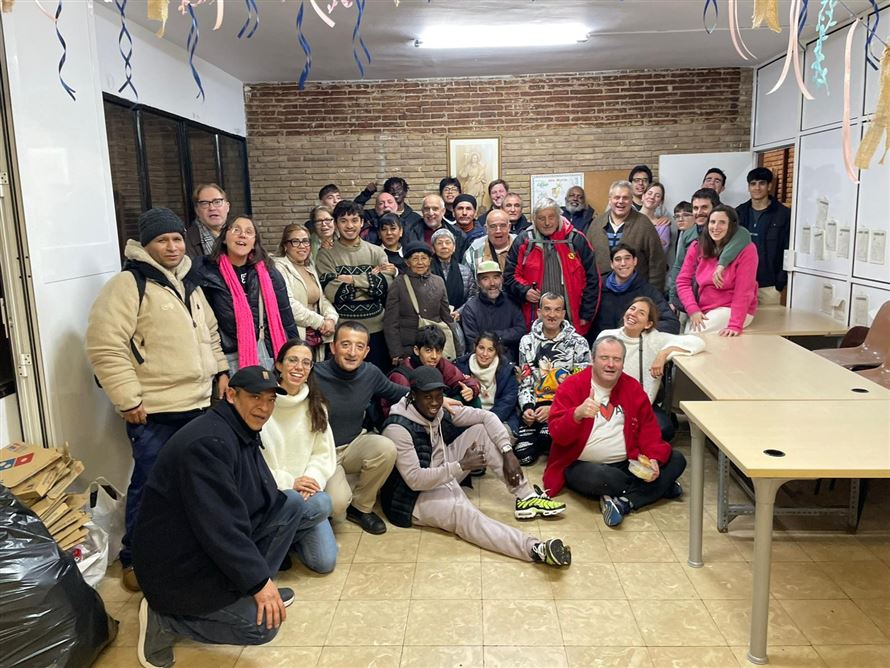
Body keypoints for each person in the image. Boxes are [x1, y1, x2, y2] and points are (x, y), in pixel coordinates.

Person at [132, 366, 324, 666]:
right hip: (179, 566)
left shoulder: (239, 430)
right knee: (262, 627)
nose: (264, 407)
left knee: (290, 505)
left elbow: (260, 496)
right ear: (231, 395)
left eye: (271, 399)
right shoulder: (209, 443)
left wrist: (257, 579)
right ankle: (166, 619)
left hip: (203, 543)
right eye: (255, 397)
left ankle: (248, 591)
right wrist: (258, 582)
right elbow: (220, 526)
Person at [86, 207, 229, 593]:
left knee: (196, 483)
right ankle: (135, 558)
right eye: (162, 240)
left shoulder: (190, 283)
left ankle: (186, 548)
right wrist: (128, 399)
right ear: (145, 244)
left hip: (198, 405)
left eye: (177, 239)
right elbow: (105, 346)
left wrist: (220, 371)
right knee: (150, 485)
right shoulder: (128, 284)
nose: (172, 246)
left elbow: (210, 333)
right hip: (154, 411)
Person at [380, 366, 572, 566]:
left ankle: (527, 497)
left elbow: (486, 417)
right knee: (467, 515)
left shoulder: (438, 408)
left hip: (442, 471)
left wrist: (507, 451)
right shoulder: (398, 428)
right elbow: (415, 480)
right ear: (412, 395)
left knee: (481, 431)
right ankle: (535, 549)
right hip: (412, 497)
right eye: (428, 397)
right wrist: (460, 466)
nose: (435, 402)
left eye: (439, 395)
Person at [545, 336, 687, 527]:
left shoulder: (632, 387)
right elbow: (557, 435)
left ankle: (624, 502)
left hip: (628, 462)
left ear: (623, 363)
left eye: (617, 359)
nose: (610, 364)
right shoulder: (571, 386)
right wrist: (576, 414)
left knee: (677, 459)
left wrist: (653, 457)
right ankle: (657, 488)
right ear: (592, 359)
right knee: (602, 479)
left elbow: (649, 429)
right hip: (583, 465)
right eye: (604, 358)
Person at [261, 339, 352, 573]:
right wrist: (289, 482)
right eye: (292, 360)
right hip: (272, 493)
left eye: (306, 363)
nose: (299, 367)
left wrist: (310, 482)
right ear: (279, 365)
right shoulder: (262, 404)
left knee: (324, 562)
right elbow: (254, 463)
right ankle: (277, 538)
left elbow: (322, 454)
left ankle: (278, 540)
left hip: (306, 495)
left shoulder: (316, 404)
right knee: (322, 503)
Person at [312, 321, 406, 534]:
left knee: (386, 448)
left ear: (366, 351)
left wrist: (440, 399)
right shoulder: (314, 374)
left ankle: (361, 507)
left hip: (354, 443)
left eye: (359, 346)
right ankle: (338, 495)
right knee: (337, 506)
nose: (352, 352)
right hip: (325, 452)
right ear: (333, 347)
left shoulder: (370, 373)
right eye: (345, 344)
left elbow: (398, 392)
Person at [193, 216, 298, 373]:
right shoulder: (207, 273)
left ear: (254, 242)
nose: (242, 235)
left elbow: (286, 318)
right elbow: (204, 325)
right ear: (224, 238)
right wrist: (220, 371)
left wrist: (295, 355)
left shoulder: (269, 272)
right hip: (226, 358)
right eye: (236, 230)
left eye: (249, 232)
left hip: (267, 353)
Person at [599, 297, 704, 440]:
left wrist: (663, 354)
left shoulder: (655, 340)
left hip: (641, 406)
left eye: (641, 313)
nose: (633, 314)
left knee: (664, 430)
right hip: (607, 401)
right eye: (632, 309)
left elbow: (698, 343)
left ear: (648, 324)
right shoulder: (607, 336)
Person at [316, 200, 396, 372]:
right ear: (336, 223)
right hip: (343, 332)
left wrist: (351, 280)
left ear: (362, 222)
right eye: (343, 221)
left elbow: (385, 287)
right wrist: (369, 281)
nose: (349, 226)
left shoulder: (377, 252)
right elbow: (332, 292)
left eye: (354, 220)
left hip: (377, 331)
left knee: (377, 380)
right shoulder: (326, 254)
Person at [504, 197, 601, 337]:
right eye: (541, 218)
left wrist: (586, 314)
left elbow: (593, 280)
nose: (547, 223)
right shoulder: (524, 241)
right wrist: (524, 291)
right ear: (534, 219)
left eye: (551, 217)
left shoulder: (576, 240)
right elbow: (509, 276)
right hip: (534, 320)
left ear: (559, 216)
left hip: (572, 319)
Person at [514, 293, 591, 466]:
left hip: (563, 406)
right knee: (524, 456)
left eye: (557, 310)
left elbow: (581, 387)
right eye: (547, 309)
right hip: (536, 405)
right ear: (539, 312)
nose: (552, 315)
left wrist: (553, 409)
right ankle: (537, 431)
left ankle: (545, 435)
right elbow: (525, 381)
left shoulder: (579, 343)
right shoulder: (526, 341)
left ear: (563, 314)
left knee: (547, 439)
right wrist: (527, 407)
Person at [676, 205, 758, 336]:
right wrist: (693, 309)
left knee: (693, 335)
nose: (716, 227)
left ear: (732, 226)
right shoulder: (697, 246)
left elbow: (744, 290)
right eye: (712, 222)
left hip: (732, 310)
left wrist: (735, 325)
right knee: (687, 333)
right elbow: (682, 282)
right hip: (704, 308)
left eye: (722, 222)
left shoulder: (747, 250)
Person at [667, 188, 751, 311]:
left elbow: (744, 234)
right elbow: (679, 267)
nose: (699, 212)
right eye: (695, 208)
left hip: (722, 301)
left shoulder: (731, 233)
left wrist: (722, 264)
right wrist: (672, 299)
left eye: (704, 207)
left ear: (715, 208)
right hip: (690, 298)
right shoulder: (688, 234)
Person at [273, 224, 338, 361]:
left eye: (305, 241)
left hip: (316, 335)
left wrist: (331, 319)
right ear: (285, 246)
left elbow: (322, 298)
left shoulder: (309, 267)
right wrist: (321, 322)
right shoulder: (279, 268)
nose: (302, 246)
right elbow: (288, 304)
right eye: (295, 241)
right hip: (295, 335)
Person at [587, 181, 667, 291]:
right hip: (602, 291)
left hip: (636, 292)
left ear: (631, 200)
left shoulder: (644, 224)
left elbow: (657, 262)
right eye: (617, 197)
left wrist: (654, 293)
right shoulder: (596, 224)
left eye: (625, 198)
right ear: (610, 199)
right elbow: (587, 261)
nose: (620, 201)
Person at [384, 241, 453, 363]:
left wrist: (455, 346)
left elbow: (447, 317)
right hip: (409, 349)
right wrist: (396, 353)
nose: (420, 262)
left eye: (424, 258)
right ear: (407, 262)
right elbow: (390, 322)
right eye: (415, 259)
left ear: (429, 261)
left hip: (434, 347)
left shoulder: (438, 282)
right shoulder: (399, 284)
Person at [592, 244, 679, 338]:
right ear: (611, 264)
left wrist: (639, 329)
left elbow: (671, 323)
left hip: (633, 343)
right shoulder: (597, 287)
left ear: (635, 261)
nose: (623, 263)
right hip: (600, 342)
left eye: (627, 258)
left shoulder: (647, 291)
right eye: (618, 259)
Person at [387, 325, 480, 408]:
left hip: (437, 412)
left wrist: (471, 389)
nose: (434, 356)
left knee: (473, 400)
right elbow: (401, 407)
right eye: (428, 350)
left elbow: (463, 380)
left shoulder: (441, 364)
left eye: (438, 351)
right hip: (412, 416)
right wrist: (440, 401)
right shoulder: (401, 376)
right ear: (416, 350)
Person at [736, 167, 791, 305]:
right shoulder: (739, 213)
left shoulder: (783, 214)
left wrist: (780, 282)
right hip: (740, 283)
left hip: (769, 285)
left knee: (770, 319)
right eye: (753, 184)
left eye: (762, 183)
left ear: (769, 186)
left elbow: (787, 247)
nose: (757, 188)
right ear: (748, 187)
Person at [454, 331, 520, 437]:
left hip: (501, 419)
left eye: (490, 350)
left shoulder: (507, 370)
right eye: (481, 348)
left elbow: (507, 403)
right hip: (468, 420)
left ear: (496, 352)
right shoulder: (460, 366)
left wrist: (486, 421)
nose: (484, 354)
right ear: (475, 347)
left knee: (490, 438)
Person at [459, 259, 526, 360]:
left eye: (496, 277)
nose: (492, 283)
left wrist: (492, 336)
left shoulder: (511, 302)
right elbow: (473, 342)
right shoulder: (471, 308)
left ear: (501, 279)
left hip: (510, 361)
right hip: (482, 361)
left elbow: (521, 331)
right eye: (485, 279)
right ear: (478, 283)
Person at [431, 227, 475, 315]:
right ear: (433, 248)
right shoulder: (427, 270)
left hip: (458, 317)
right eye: (439, 243)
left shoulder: (465, 271)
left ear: (454, 247)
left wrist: (459, 312)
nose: (444, 246)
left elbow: (472, 296)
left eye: (448, 242)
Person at [463, 209, 515, 275]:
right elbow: (466, 279)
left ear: (509, 227)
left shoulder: (521, 245)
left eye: (502, 225)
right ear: (486, 229)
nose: (498, 231)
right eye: (493, 226)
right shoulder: (474, 250)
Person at [186, 183, 230, 258]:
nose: (212, 208)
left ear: (227, 207)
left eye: (217, 202)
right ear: (197, 210)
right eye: (205, 203)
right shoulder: (186, 241)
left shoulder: (238, 235)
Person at [639, 182, 672, 254]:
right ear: (643, 196)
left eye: (657, 196)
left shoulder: (663, 226)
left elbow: (661, 251)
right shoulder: (630, 218)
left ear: (661, 202)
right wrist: (656, 241)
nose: (652, 197)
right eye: (649, 193)